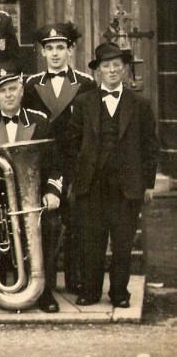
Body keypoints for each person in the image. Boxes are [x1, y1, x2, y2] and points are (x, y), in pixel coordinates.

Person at [67, 43, 160, 308]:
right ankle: (91, 291)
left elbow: (150, 146)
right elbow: (72, 143)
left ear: (125, 69)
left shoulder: (139, 104)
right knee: (91, 241)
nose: (112, 70)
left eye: (117, 65)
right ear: (98, 71)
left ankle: (119, 293)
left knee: (122, 243)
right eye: (106, 66)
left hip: (126, 185)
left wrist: (149, 184)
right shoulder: (84, 102)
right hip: (92, 184)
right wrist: (78, 176)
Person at [0, 60, 63, 313]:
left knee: (51, 226)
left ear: (22, 90)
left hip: (33, 201)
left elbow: (55, 165)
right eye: (3, 90)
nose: (9, 95)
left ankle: (44, 291)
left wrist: (52, 191)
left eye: (13, 88)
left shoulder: (41, 121)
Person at [24, 22, 95, 293]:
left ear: (70, 50)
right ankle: (45, 280)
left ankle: (75, 277)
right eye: (49, 48)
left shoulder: (86, 83)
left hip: (75, 162)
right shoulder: (29, 85)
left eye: (60, 48)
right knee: (44, 222)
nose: (55, 53)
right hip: (41, 165)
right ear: (42, 52)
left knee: (77, 219)